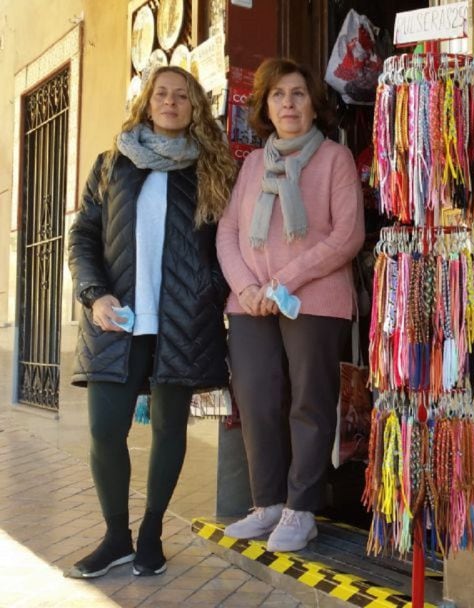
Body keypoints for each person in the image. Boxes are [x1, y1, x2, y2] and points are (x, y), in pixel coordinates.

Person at [66, 66, 236, 578]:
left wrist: (211, 291)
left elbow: (227, 244)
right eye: (161, 93)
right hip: (117, 319)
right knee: (104, 430)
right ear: (146, 102)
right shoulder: (111, 163)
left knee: (168, 429)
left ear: (194, 107)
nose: (170, 102)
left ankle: (152, 533)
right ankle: (116, 535)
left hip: (182, 320)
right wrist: (94, 294)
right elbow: (83, 238)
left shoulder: (211, 169)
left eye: (181, 96)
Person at [217, 58, 365, 552]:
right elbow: (229, 233)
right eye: (278, 95)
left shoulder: (334, 160)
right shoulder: (254, 164)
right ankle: (269, 505)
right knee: (258, 401)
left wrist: (284, 280)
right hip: (252, 305)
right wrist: (246, 288)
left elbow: (348, 236)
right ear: (264, 106)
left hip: (314, 302)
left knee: (309, 403)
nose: (288, 104)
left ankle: (301, 509)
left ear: (313, 104)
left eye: (298, 94)